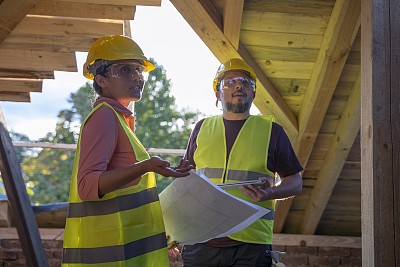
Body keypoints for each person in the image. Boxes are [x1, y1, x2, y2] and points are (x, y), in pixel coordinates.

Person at [62, 35, 192, 266]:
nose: (136, 77)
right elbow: (88, 186)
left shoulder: (119, 119)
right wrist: (146, 166)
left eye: (139, 70)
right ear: (101, 80)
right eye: (124, 70)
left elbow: (126, 196)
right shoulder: (104, 116)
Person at [181, 58, 303, 267]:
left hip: (251, 245)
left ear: (253, 94)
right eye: (229, 81)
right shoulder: (202, 128)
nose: (239, 85)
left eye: (246, 82)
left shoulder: (272, 131)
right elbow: (185, 182)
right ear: (218, 94)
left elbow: (295, 182)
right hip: (201, 240)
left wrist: (270, 193)